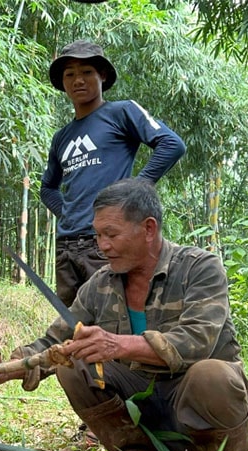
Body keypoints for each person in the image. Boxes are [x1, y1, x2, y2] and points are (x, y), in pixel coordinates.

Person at [0, 179, 248, 451]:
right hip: (147, 411)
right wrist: (6, 367)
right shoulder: (100, 284)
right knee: (74, 363)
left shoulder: (199, 268)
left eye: (111, 234)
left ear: (148, 229)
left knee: (212, 375)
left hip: (200, 407)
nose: (102, 245)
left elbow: (196, 340)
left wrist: (117, 345)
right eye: (98, 235)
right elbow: (54, 341)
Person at [41, 40, 186, 307]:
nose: (78, 80)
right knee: (72, 322)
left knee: (114, 318)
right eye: (70, 74)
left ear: (103, 75)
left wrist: (135, 190)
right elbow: (47, 188)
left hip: (107, 240)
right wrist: (68, 214)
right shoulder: (61, 137)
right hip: (67, 245)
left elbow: (171, 144)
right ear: (62, 82)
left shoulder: (121, 112)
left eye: (87, 72)